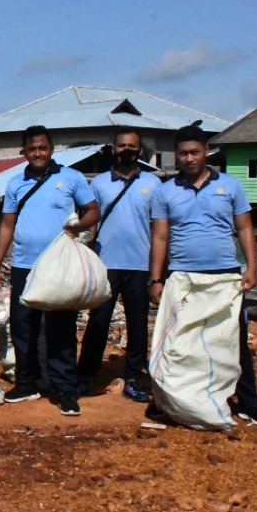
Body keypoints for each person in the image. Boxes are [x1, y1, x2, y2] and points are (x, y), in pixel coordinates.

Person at [149, 123, 257, 426]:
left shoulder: (230, 186)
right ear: (175, 156)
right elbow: (160, 238)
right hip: (183, 277)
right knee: (176, 343)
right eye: (182, 153)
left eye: (194, 152)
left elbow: (244, 227)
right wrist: (156, 279)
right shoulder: (165, 192)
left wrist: (252, 267)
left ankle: (249, 404)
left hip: (226, 277)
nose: (189, 158)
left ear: (206, 151)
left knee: (234, 341)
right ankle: (167, 401)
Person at [0, 125, 99, 416]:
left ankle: (65, 388)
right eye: (32, 149)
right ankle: (27, 383)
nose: (38, 153)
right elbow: (6, 225)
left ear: (52, 150)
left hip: (59, 265)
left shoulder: (71, 178)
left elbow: (93, 210)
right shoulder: (15, 184)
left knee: (61, 328)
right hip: (25, 265)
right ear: (23, 152)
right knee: (23, 327)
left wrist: (79, 227)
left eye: (43, 148)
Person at [76, 128, 160, 402]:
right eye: (121, 145)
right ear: (113, 150)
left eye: (132, 146)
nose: (126, 150)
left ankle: (134, 377)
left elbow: (161, 229)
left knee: (138, 324)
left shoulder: (153, 183)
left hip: (140, 264)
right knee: (98, 322)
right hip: (106, 263)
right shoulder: (99, 183)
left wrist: (160, 272)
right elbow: (90, 222)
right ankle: (86, 375)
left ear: (140, 150)